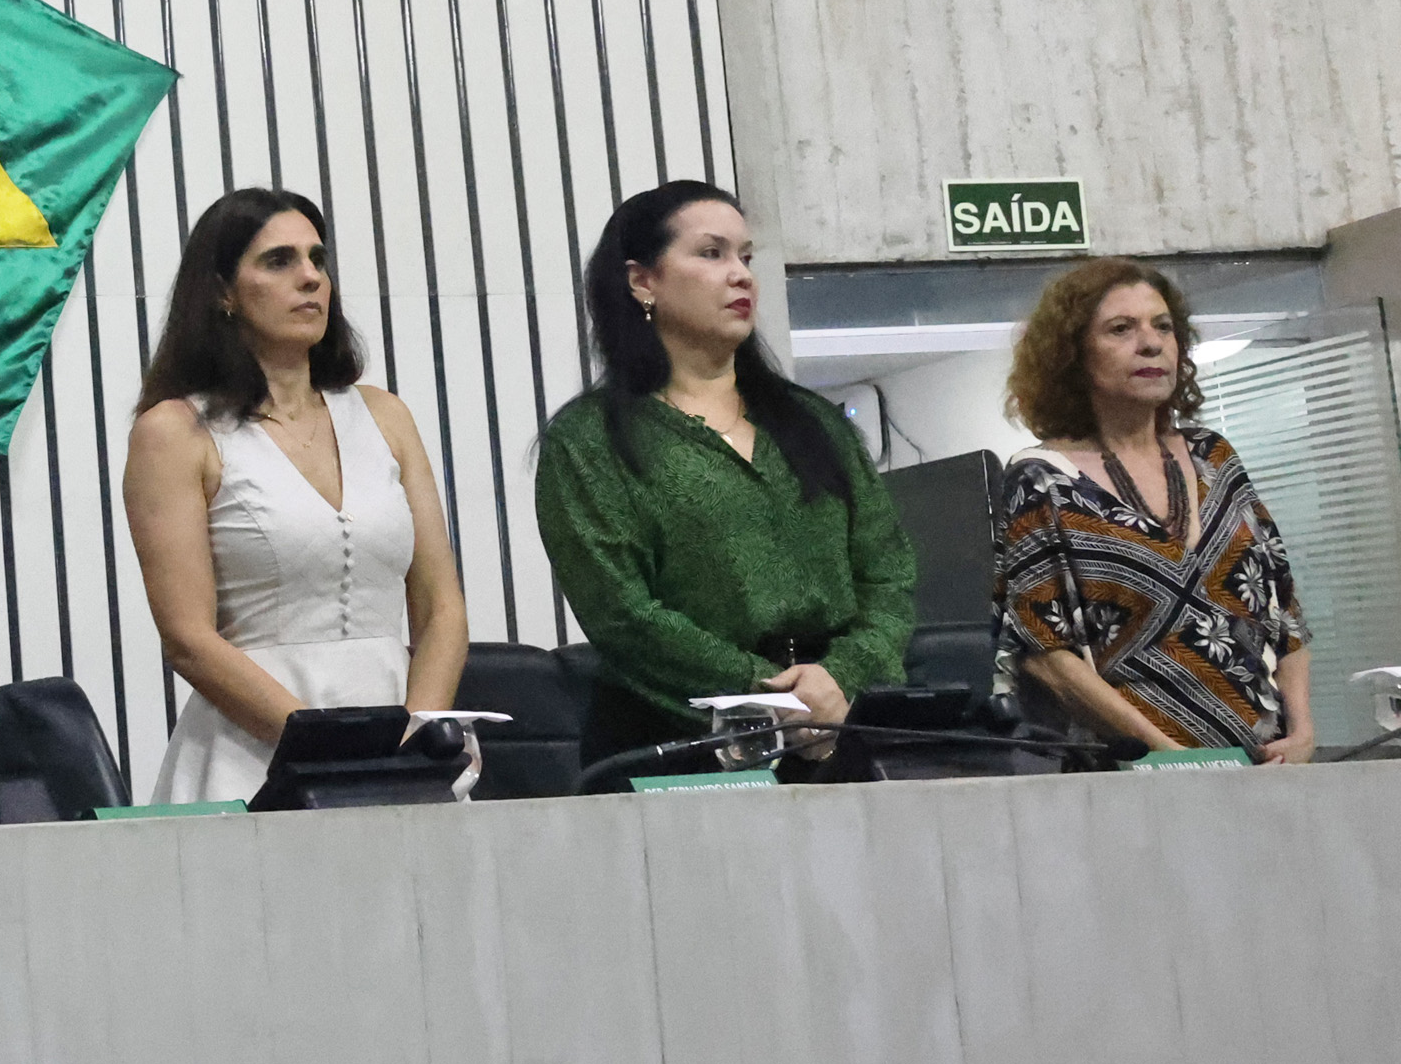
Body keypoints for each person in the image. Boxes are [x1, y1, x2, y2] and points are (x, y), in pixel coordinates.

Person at [536, 180, 916, 784]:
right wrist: (763, 692)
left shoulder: (813, 423)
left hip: (835, 723)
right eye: (711, 254)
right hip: (674, 743)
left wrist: (841, 676)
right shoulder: (589, 441)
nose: (740, 275)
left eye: (746, 256)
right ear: (643, 282)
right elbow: (623, 615)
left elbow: (889, 574)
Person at [122, 188, 468, 804]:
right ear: (223, 292)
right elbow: (187, 638)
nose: (310, 278)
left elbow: (442, 609)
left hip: (400, 742)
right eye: (279, 261)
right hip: (252, 749)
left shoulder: (385, 415)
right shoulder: (175, 432)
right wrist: (326, 749)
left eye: (318, 259)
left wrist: (418, 734)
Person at [995, 259, 1312, 761]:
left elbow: (1285, 612)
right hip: (1129, 776)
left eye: (1162, 326)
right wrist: (1169, 756)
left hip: (1266, 770)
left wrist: (1302, 732)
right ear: (1072, 356)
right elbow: (1045, 655)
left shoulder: (1214, 456)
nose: (1150, 343)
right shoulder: (1041, 478)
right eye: (1121, 329)